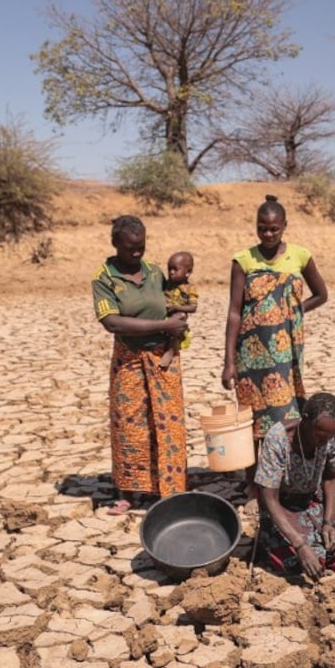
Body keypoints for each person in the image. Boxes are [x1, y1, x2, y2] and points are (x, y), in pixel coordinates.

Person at [91, 215, 191, 515]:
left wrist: (180, 319)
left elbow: (177, 298)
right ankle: (129, 492)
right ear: (115, 244)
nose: (137, 253)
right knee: (129, 425)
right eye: (130, 248)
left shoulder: (154, 272)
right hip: (129, 361)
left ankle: (169, 491)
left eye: (142, 246)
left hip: (163, 359)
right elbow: (112, 322)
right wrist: (162, 324)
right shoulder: (104, 278)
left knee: (168, 424)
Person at [221, 194, 328, 449]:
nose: (267, 234)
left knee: (286, 415)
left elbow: (322, 295)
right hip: (250, 355)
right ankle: (252, 481)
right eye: (262, 228)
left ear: (285, 226)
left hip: (286, 355)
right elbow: (235, 312)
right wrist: (229, 362)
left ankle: (280, 476)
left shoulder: (300, 256)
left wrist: (293, 312)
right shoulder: (243, 260)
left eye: (274, 229)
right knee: (250, 418)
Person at [254, 392, 335, 580]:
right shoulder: (278, 439)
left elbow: (332, 478)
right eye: (320, 435)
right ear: (305, 420)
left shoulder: (331, 434)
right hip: (280, 506)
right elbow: (269, 497)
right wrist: (299, 545)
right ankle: (271, 539)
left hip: (311, 502)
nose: (325, 441)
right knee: (292, 561)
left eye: (330, 436)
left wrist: (328, 521)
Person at [160, 251, 199, 369]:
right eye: (169, 269)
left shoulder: (189, 289)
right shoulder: (167, 284)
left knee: (176, 322)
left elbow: (193, 307)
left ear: (188, 272)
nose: (171, 272)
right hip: (165, 310)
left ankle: (171, 350)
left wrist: (177, 308)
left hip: (179, 313)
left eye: (175, 269)